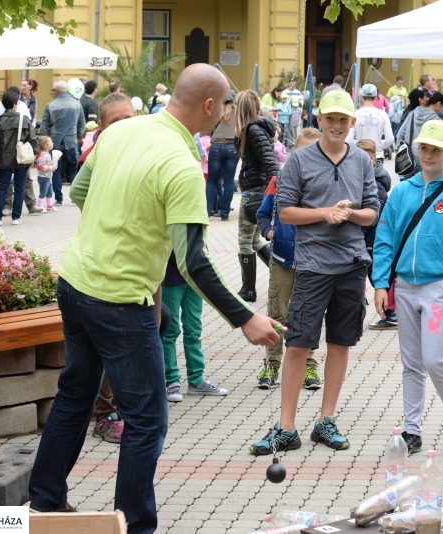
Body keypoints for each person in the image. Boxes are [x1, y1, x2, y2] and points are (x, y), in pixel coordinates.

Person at [28, 64, 282, 534]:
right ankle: (135, 526)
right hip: (120, 301)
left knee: (75, 394)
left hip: (75, 281)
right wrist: (245, 317)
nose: (227, 113)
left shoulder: (124, 131)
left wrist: (119, 219)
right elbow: (194, 262)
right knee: (146, 421)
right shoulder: (182, 165)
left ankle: (44, 503)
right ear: (209, 106)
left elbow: (80, 191)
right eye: (225, 105)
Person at [248, 89, 378, 456]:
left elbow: (372, 213)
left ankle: (326, 421)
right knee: (298, 344)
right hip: (312, 266)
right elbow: (285, 212)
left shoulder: (362, 162)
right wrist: (325, 213)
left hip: (352, 265)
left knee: (340, 343)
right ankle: (286, 428)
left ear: (353, 123)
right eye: (330, 119)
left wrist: (348, 213)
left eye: (343, 120)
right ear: (319, 120)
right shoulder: (299, 161)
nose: (336, 126)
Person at [372, 119, 443, 458]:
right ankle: (412, 430)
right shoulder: (400, 192)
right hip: (403, 289)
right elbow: (384, 240)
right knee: (412, 363)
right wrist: (381, 283)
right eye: (424, 148)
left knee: (435, 360)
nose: (429, 155)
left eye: (436, 150)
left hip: (437, 291)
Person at [70, 92, 137, 444]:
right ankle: (104, 413)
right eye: (116, 121)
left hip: (138, 269)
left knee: (156, 325)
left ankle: (127, 405)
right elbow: (79, 196)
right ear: (101, 127)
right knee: (108, 345)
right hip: (104, 270)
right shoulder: (96, 156)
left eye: (130, 118)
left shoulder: (140, 152)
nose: (125, 126)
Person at [256, 127, 323, 389]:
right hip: (282, 259)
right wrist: (270, 232)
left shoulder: (325, 181)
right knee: (277, 314)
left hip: (314, 261)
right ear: (294, 152)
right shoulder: (279, 180)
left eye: (313, 150)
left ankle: (308, 368)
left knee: (308, 316)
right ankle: (272, 366)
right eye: (303, 150)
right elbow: (262, 213)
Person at [162, 248, 229, 401]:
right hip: (169, 277)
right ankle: (171, 381)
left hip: (194, 278)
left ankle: (196, 379)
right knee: (169, 332)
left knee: (194, 331)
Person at [236, 90, 277, 302]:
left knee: (245, 240)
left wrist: (274, 189)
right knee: (254, 239)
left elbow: (270, 161)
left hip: (255, 189)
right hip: (256, 187)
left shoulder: (253, 129)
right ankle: (281, 274)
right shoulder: (256, 128)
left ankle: (248, 290)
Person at [355, 138, 396, 331]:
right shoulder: (366, 177)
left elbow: (373, 216)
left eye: (366, 157)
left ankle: (391, 313)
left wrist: (358, 233)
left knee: (376, 277)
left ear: (374, 159)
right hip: (366, 238)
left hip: (371, 239)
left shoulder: (376, 184)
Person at [0, 86, 41, 216]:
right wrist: (33, 155)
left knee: (2, 186)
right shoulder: (24, 119)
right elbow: (32, 139)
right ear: (15, 104)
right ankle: (17, 216)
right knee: (20, 187)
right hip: (21, 158)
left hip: (4, 158)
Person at [42, 80, 86, 203]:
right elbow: (82, 124)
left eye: (53, 90)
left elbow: (44, 126)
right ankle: (75, 197)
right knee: (74, 168)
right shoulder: (76, 104)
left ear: (56, 91)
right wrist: (76, 137)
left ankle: (59, 199)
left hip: (55, 142)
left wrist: (48, 139)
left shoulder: (50, 105)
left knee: (56, 169)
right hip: (72, 141)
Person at [396, 91, 443, 178]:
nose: (442, 110)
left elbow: (400, 134)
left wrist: (400, 151)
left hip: (408, 157)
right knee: (423, 187)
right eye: (442, 107)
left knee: (409, 186)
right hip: (425, 158)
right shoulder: (436, 120)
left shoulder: (412, 113)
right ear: (438, 104)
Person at [207, 90, 239, 221]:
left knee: (211, 181)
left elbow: (207, 129)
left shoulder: (216, 111)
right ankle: (225, 213)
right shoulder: (238, 112)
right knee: (229, 181)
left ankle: (207, 212)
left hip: (215, 147)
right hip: (232, 147)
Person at [346, 84, 394, 163]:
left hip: (360, 155)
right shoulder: (383, 114)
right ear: (376, 97)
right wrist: (377, 144)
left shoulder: (355, 114)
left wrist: (359, 143)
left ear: (361, 97)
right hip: (377, 156)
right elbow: (390, 139)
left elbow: (349, 140)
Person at [35, 136, 58, 212]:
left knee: (49, 192)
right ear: (46, 145)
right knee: (43, 193)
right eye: (51, 142)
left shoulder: (47, 154)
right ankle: (40, 206)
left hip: (48, 177)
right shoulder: (43, 155)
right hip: (43, 178)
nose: (52, 143)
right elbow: (40, 167)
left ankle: (50, 206)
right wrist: (51, 168)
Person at [283, 78, 304, 147]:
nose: (292, 85)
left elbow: (301, 101)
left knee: (295, 130)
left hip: (295, 110)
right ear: (289, 83)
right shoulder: (285, 92)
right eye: (291, 83)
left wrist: (298, 103)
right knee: (287, 127)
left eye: (294, 83)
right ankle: (288, 142)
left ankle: (294, 143)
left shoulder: (298, 92)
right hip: (287, 111)